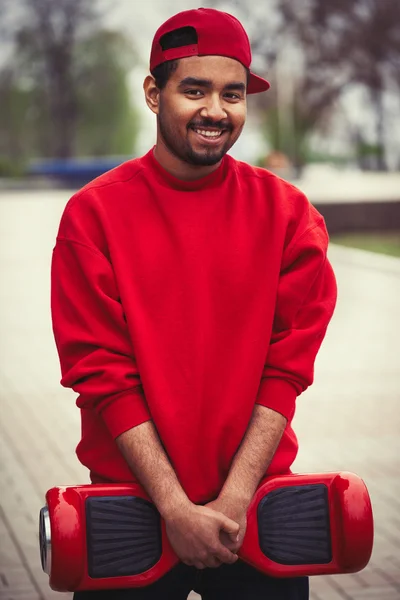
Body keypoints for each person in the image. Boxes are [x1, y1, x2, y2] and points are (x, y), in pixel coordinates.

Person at [51, 7, 337, 600]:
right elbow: (101, 374)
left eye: (232, 94)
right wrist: (175, 508)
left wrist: (230, 503)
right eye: (195, 89)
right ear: (155, 94)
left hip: (255, 510)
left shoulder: (289, 218)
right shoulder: (94, 215)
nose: (216, 110)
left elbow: (286, 371)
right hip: (130, 508)